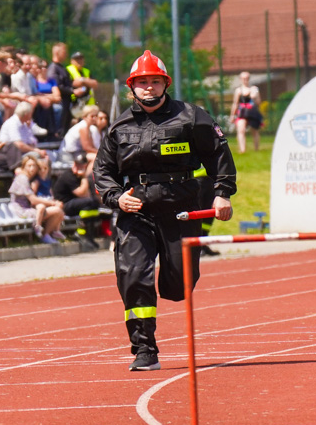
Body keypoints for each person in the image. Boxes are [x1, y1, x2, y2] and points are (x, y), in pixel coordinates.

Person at [94, 50, 237, 371]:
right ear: (131, 87)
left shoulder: (192, 116)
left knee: (178, 283)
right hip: (136, 210)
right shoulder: (119, 126)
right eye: (142, 82)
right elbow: (102, 172)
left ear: (165, 84)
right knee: (134, 277)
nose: (149, 88)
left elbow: (219, 156)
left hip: (180, 207)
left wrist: (222, 194)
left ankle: (174, 286)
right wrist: (117, 198)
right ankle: (144, 349)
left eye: (155, 82)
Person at [8, 154, 65, 244]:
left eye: (34, 166)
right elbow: (33, 199)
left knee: (58, 211)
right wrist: (52, 203)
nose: (32, 168)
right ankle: (45, 235)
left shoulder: (29, 178)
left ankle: (48, 234)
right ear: (24, 166)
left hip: (29, 208)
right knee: (57, 211)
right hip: (22, 210)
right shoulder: (22, 178)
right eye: (29, 166)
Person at [52, 152, 101, 248]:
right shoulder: (68, 175)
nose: (79, 167)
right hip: (64, 205)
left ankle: (88, 234)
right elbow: (81, 193)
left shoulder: (80, 175)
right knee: (91, 201)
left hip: (75, 203)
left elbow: (86, 194)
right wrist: (84, 177)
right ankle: (81, 233)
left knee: (93, 204)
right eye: (77, 164)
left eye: (81, 165)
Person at [229, 71, 263, 153]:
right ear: (240, 79)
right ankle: (242, 150)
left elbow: (259, 102)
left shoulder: (254, 89)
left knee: (254, 130)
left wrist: (254, 97)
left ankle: (256, 149)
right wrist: (232, 115)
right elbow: (235, 104)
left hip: (252, 112)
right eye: (243, 78)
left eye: (247, 78)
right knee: (241, 129)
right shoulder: (238, 91)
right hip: (242, 112)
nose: (245, 80)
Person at [66, 51, 97, 117]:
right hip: (74, 104)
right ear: (72, 61)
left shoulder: (86, 71)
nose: (80, 61)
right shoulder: (68, 70)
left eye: (81, 58)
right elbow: (75, 83)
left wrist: (82, 80)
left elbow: (95, 84)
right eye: (77, 59)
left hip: (88, 103)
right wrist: (87, 81)